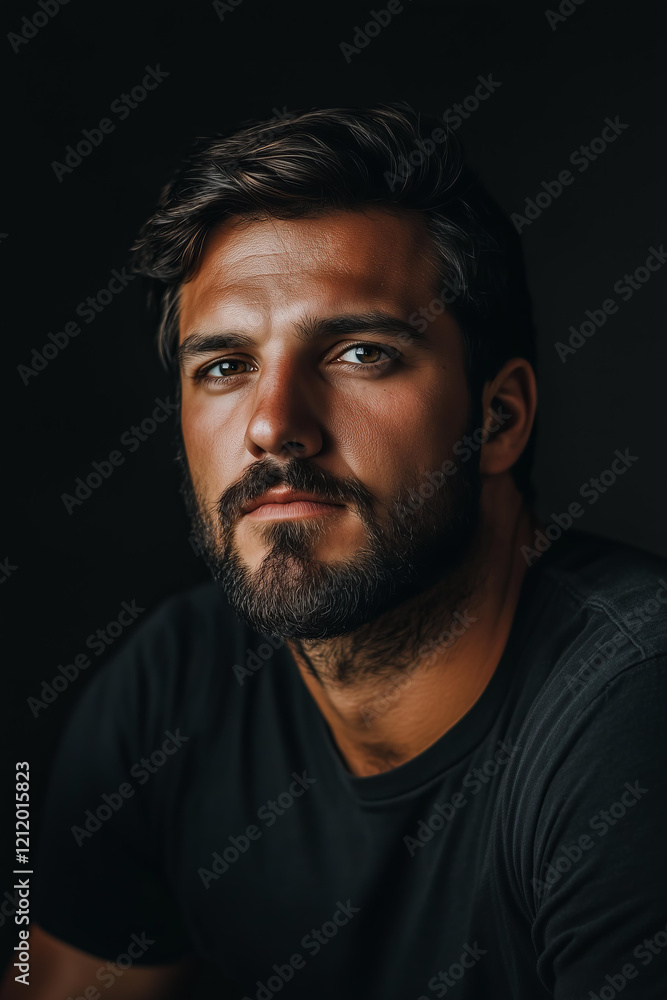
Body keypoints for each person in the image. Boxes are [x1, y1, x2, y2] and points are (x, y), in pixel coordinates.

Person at [4, 103, 666, 1000]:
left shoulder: (630, 717)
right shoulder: (172, 679)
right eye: (225, 367)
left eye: (359, 352)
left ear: (497, 418)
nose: (274, 424)